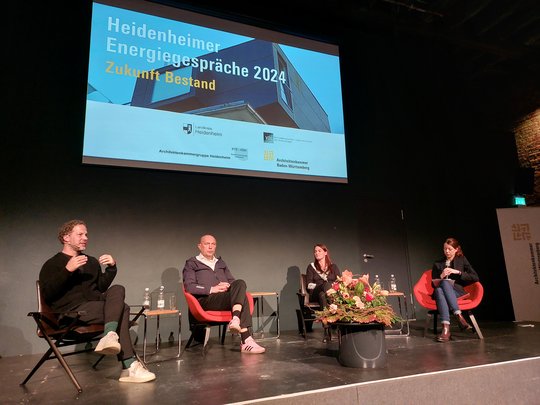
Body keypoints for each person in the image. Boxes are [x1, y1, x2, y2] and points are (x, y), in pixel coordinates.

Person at [39, 219, 156, 383]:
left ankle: (111, 337)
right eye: (80, 234)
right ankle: (128, 365)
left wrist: (112, 268)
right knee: (122, 308)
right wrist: (67, 270)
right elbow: (48, 293)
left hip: (94, 307)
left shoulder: (91, 261)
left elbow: (100, 287)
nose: (85, 238)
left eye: (86, 234)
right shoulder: (53, 264)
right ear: (66, 237)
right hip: (71, 313)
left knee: (118, 288)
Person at [182, 234, 265, 354]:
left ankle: (235, 320)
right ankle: (246, 339)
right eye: (207, 244)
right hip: (205, 300)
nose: (210, 247)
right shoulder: (192, 263)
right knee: (243, 298)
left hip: (223, 298)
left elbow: (232, 282)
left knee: (240, 283)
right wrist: (212, 288)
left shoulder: (220, 263)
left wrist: (228, 286)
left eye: (213, 244)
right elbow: (189, 286)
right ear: (199, 246)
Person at [431, 237, 479, 342]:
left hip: (457, 292)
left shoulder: (462, 260)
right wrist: (441, 275)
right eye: (445, 249)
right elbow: (433, 284)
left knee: (441, 288)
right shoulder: (438, 263)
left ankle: (446, 330)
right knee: (439, 289)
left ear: (456, 249)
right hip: (441, 292)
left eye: (450, 249)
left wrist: (458, 272)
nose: (447, 251)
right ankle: (458, 317)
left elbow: (475, 277)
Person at [305, 243, 341, 342]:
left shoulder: (333, 267)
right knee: (325, 286)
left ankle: (326, 330)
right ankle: (334, 319)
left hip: (328, 294)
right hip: (315, 293)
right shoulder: (311, 267)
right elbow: (308, 285)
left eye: (319, 251)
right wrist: (319, 286)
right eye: (315, 251)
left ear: (325, 252)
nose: (316, 253)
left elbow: (339, 282)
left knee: (323, 296)